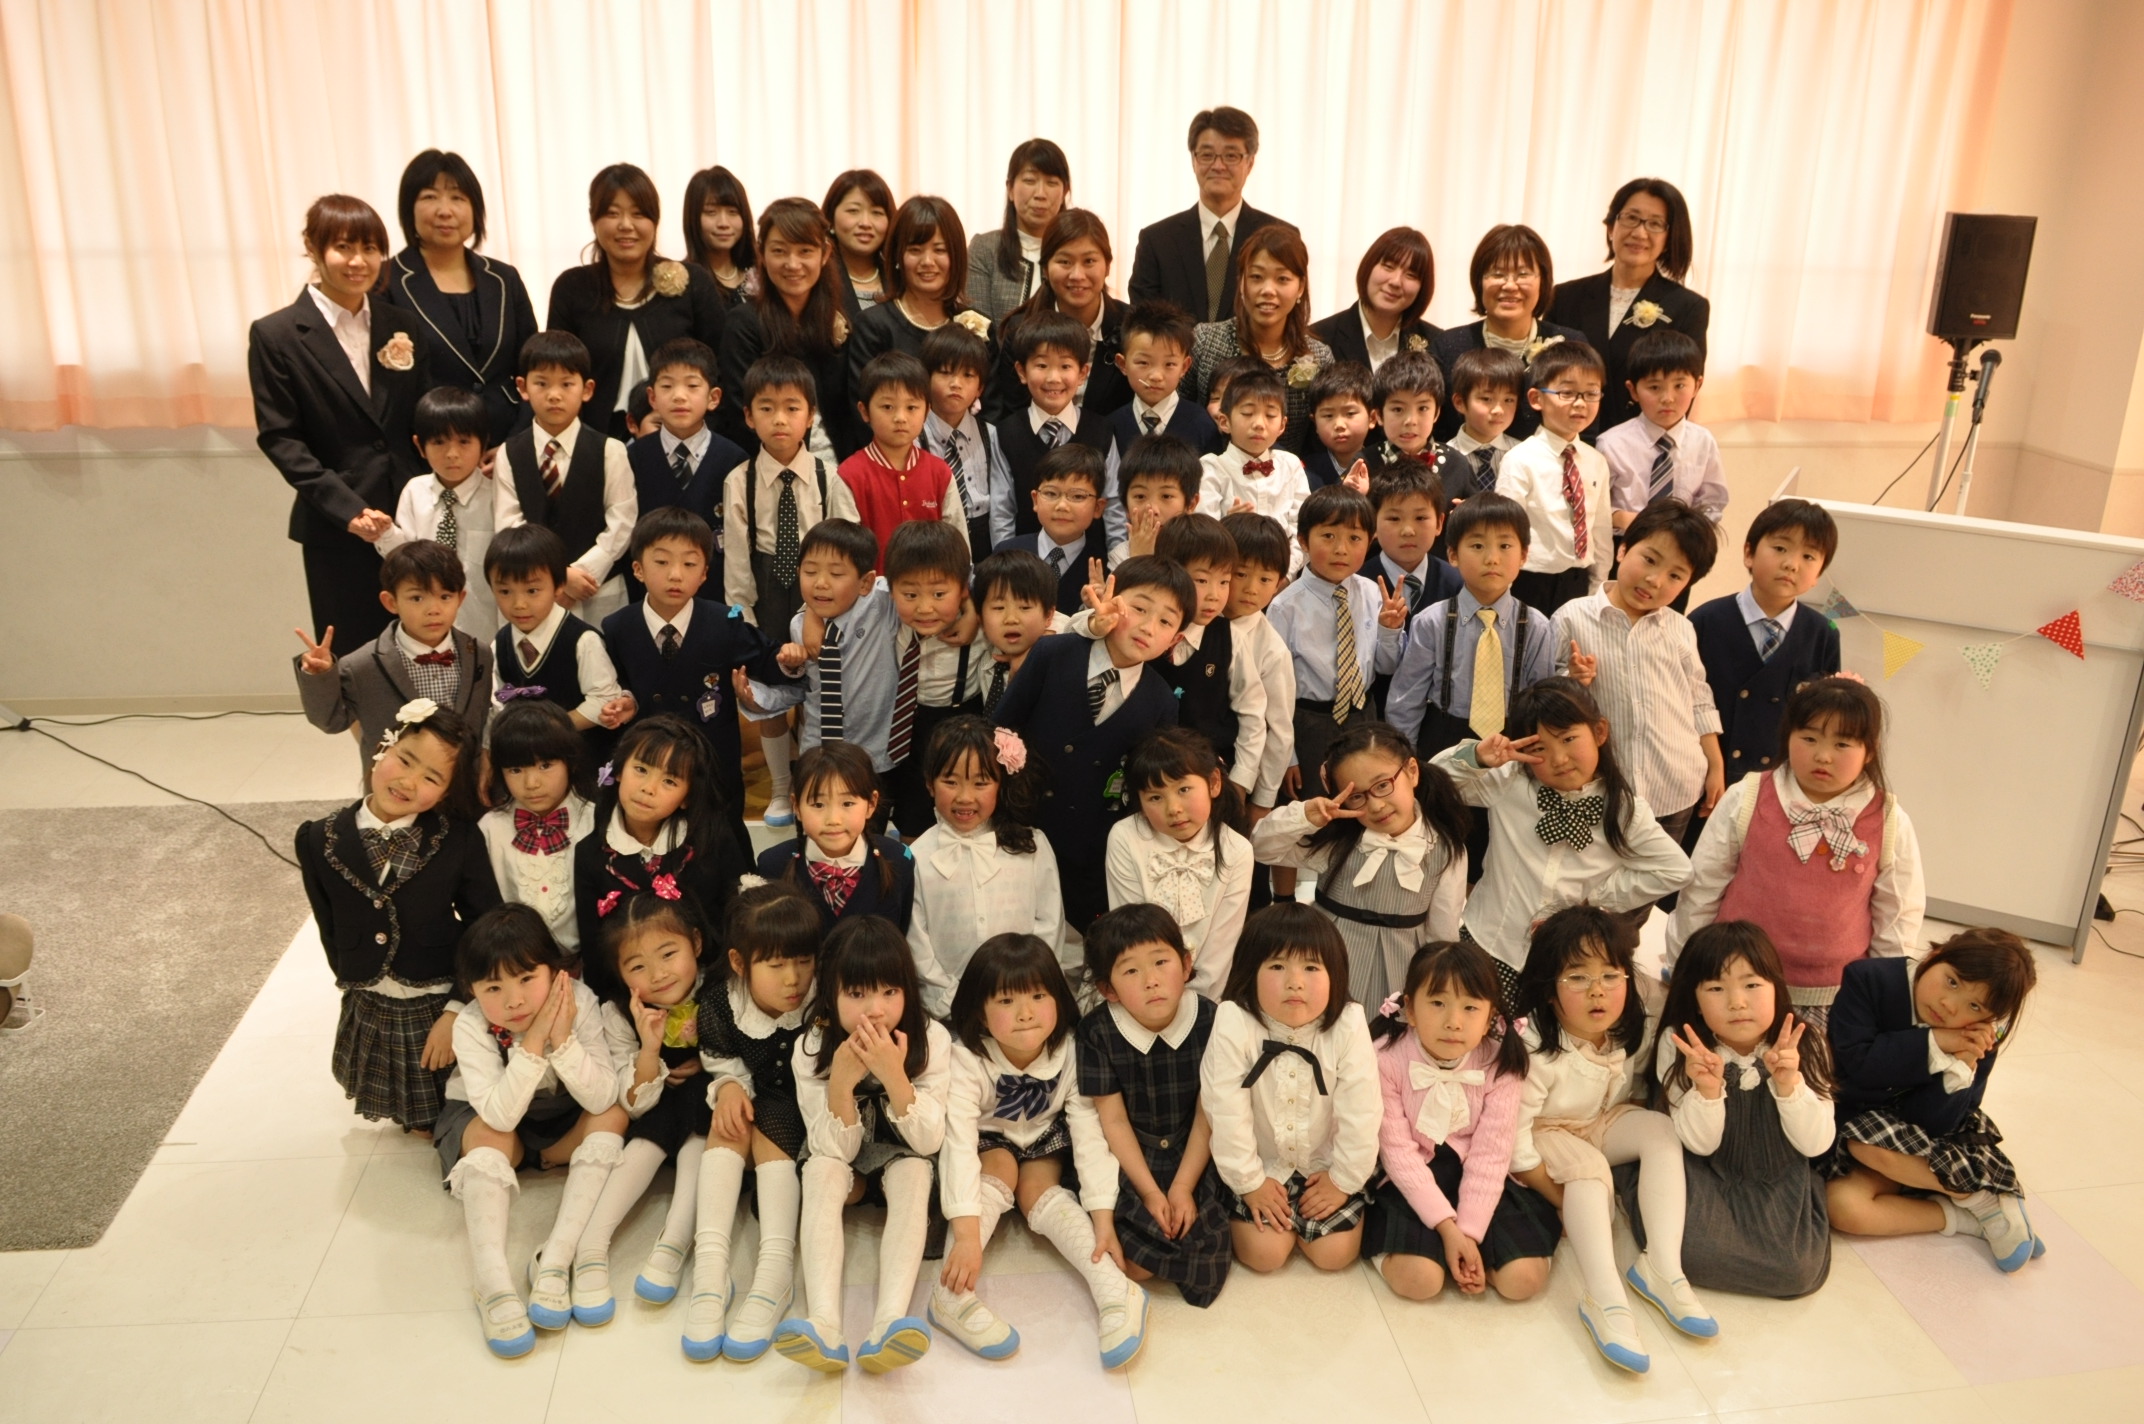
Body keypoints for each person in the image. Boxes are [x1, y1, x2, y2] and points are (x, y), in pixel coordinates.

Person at [1506, 906, 1712, 1374]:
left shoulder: (1626, 1028)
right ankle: (1605, 1298)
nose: (1597, 990)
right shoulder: (1534, 1047)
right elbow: (1514, 1145)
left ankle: (1662, 1267)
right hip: (1544, 1133)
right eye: (1577, 977)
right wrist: (1560, 1199)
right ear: (1549, 989)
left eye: (1610, 975)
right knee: (1590, 1171)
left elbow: (1631, 1091)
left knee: (1659, 1128)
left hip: (1599, 1120)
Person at [935, 935, 1150, 1368]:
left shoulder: (1071, 1050)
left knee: (1037, 1186)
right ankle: (949, 1295)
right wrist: (966, 1238)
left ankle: (1113, 1286)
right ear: (979, 1010)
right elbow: (958, 1143)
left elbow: (1090, 1137)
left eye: (1038, 996)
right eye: (1006, 1000)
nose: (1026, 1013)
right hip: (987, 1141)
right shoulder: (965, 1058)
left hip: (1045, 1138)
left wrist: (1102, 1218)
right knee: (1000, 1166)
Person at [1671, 676, 1925, 1027]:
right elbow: (1701, 889)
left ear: (1869, 750)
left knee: (1814, 1064)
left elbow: (1897, 917)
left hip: (1835, 992)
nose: (1823, 756)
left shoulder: (1888, 819)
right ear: (1787, 735)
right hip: (1736, 985)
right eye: (1809, 738)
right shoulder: (1747, 797)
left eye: (1842, 744)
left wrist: (1882, 992)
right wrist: (1686, 966)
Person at [297, 700, 499, 1138]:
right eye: (405, 760)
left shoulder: (458, 839)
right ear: (382, 748)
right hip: (370, 994)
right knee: (398, 1099)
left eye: (432, 778)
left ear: (446, 793)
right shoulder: (317, 838)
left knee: (447, 1101)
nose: (409, 781)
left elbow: (484, 927)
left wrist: (457, 1009)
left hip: (435, 997)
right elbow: (328, 922)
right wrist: (354, 975)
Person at [437, 904, 623, 1355]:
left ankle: (556, 1256)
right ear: (471, 990)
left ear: (556, 973)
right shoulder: (471, 1024)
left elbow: (601, 1096)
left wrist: (563, 1038)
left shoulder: (580, 1000)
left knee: (613, 1114)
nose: (514, 1000)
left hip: (561, 1116)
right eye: (493, 987)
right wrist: (536, 1038)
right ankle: (492, 1282)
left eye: (526, 978)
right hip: (493, 1120)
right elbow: (499, 1115)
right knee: (492, 1136)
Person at [250, 193, 430, 647]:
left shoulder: (401, 324)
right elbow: (281, 438)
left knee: (424, 644)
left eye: (370, 248)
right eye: (343, 247)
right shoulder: (277, 335)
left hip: (411, 514)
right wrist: (348, 511)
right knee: (354, 652)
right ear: (313, 248)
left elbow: (420, 415)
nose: (358, 261)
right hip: (336, 526)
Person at [1430, 679, 1691, 993]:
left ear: (1600, 732)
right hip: (1490, 942)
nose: (1559, 759)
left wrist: (1595, 897)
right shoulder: (1510, 781)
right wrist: (1477, 757)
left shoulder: (1624, 810)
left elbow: (1675, 869)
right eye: (1539, 748)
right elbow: (1434, 782)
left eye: (1568, 739)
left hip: (1564, 962)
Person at [776, 916, 953, 1374]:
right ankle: (824, 1323)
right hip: (844, 1155)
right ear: (830, 995)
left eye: (890, 992)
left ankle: (889, 1321)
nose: (875, 1010)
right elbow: (831, 1149)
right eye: (856, 994)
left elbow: (929, 1140)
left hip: (904, 1151)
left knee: (915, 1171)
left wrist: (895, 1076)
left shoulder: (931, 1038)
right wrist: (840, 1083)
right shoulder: (812, 1046)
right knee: (821, 1169)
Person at [1823, 929, 2043, 1272]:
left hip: (1920, 1145)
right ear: (1935, 955)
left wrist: (1962, 1066)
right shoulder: (1869, 979)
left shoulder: (1978, 1037)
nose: (1949, 1005)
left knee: (1868, 1145)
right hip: (1856, 1125)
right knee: (1842, 1208)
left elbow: (1938, 1126)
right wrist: (1935, 1043)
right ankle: (1976, 1207)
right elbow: (1855, 1066)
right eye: (1952, 982)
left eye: (1974, 1006)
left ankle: (1981, 1202)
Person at [991, 556, 1191, 930]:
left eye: (1166, 621)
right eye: (1139, 608)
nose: (1148, 627)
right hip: (1023, 822)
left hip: (1093, 849)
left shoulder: (1162, 701)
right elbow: (1001, 729)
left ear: (1175, 640)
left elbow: (1144, 784)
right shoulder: (1052, 653)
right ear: (1110, 601)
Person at [1644, 922, 1835, 1298]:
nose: (1737, 1002)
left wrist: (1789, 1086)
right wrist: (1708, 1091)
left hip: (1778, 1176)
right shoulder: (1681, 1044)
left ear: (1776, 986)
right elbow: (1699, 1145)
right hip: (1706, 1172)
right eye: (1716, 988)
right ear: (1695, 998)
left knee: (1797, 1271)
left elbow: (1816, 1145)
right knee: (1691, 1252)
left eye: (1752, 985)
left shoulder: (1806, 1042)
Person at [1364, 940, 1555, 1303]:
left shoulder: (1502, 1063)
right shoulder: (1384, 1058)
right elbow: (1397, 1153)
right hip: (1411, 1177)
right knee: (1419, 1282)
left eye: (1470, 1007)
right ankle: (1435, 1250)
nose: (1453, 1021)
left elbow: (1490, 1156)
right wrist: (1447, 1230)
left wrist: (1469, 1232)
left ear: (1490, 1018)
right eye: (1438, 1003)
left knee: (1523, 1282)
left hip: (1480, 1178)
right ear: (1410, 1009)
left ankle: (1478, 1256)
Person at [601, 507, 795, 866]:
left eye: (689, 564)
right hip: (650, 771)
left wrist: (790, 659)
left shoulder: (725, 621)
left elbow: (772, 663)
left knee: (725, 858)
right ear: (638, 569)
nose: (675, 574)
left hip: (714, 769)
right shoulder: (617, 627)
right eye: (662, 562)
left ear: (705, 573)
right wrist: (624, 699)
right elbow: (616, 683)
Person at [683, 881, 820, 1361]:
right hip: (754, 1092)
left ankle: (775, 1273)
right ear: (740, 963)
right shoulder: (722, 1002)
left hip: (813, 1105)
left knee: (771, 1122)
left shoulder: (824, 998)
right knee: (729, 1121)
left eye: (804, 961)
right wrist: (729, 1086)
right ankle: (710, 1272)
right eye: (776, 965)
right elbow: (721, 1059)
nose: (794, 979)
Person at [1202, 904, 1380, 1273]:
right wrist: (1250, 1182)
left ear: (1335, 975)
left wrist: (1342, 1180)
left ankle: (1318, 1209)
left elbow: (1362, 1112)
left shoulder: (1348, 1022)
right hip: (1262, 1162)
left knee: (1333, 1255)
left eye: (1311, 968)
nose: (1295, 982)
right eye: (1277, 966)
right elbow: (1224, 1110)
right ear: (1250, 972)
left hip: (1325, 1163)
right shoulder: (1234, 1019)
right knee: (1264, 1255)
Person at [721, 358, 863, 823]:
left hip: (820, 596)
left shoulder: (828, 476)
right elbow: (737, 569)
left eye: (791, 408)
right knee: (768, 698)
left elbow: (850, 547)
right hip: (766, 596)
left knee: (822, 694)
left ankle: (825, 785)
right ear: (748, 416)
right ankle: (781, 789)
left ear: (811, 415)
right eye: (766, 408)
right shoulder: (738, 480)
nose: (779, 419)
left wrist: (822, 614)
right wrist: (746, 629)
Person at [1076, 905, 1235, 1307]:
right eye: (1131, 971)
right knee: (1133, 1263)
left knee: (1204, 1242)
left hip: (1194, 1149)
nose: (1151, 981)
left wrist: (1182, 1187)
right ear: (1108, 989)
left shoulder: (1211, 1019)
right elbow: (1113, 1121)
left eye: (1161, 962)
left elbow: (1208, 1114)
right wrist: (1149, 1192)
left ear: (1186, 965)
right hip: (1132, 1155)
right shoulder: (1097, 1031)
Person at [1252, 722, 1471, 1009]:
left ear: (1412, 771)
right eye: (1357, 797)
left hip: (1400, 974)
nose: (1376, 806)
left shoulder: (1445, 850)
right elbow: (1261, 847)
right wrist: (1304, 816)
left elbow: (1441, 936)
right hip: (1327, 963)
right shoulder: (1337, 840)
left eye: (1383, 785)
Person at [1554, 497, 1726, 854]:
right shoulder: (1571, 617)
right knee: (1591, 881)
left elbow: (1699, 699)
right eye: (1649, 559)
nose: (1655, 580)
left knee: (1650, 885)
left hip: (1674, 787)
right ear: (1623, 549)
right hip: (1600, 789)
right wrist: (1573, 680)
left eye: (1675, 575)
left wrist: (1715, 764)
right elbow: (1547, 696)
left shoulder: (1680, 629)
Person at [578, 891, 717, 1328]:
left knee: (702, 1104)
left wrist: (709, 1062)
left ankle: (674, 1240)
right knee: (650, 1131)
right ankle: (591, 1245)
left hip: (713, 1106)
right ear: (619, 972)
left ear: (696, 942)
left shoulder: (722, 989)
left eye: (668, 954)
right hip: (654, 1108)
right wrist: (650, 1050)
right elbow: (633, 1103)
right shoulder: (619, 1013)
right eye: (637, 966)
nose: (658, 974)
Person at [546, 163, 727, 440]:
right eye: (612, 213)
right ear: (594, 219)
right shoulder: (571, 288)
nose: (626, 225)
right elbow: (556, 373)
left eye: (638, 214)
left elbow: (721, 367)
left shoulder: (693, 282)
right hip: (595, 441)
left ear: (654, 221)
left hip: (686, 437)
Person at [295, 540, 494, 785]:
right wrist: (320, 677)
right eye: (417, 598)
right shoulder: (361, 665)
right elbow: (330, 721)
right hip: (396, 789)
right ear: (391, 602)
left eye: (445, 596)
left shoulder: (479, 654)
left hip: (464, 785)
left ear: (460, 598)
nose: (434, 609)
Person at [571, 715, 751, 985]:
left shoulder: (712, 837)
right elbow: (595, 953)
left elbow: (739, 922)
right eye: (641, 769)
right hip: (632, 995)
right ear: (618, 770)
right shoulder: (590, 855)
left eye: (670, 781)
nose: (648, 789)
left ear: (687, 797)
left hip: (715, 986)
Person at [1384, 492, 1555, 760]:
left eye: (1505, 546)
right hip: (1443, 743)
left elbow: (1542, 704)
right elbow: (1406, 700)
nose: (1492, 558)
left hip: (1512, 746)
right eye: (1477, 546)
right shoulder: (1431, 622)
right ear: (1453, 555)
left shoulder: (1537, 627)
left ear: (1524, 555)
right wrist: (1405, 760)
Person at [907, 717, 1065, 1008]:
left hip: (1023, 1001)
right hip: (947, 1008)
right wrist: (953, 1001)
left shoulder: (1032, 846)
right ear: (930, 784)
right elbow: (918, 943)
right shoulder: (916, 857)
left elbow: (1049, 925)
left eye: (980, 783)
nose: (965, 797)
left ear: (1000, 783)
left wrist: (1024, 990)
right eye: (950, 782)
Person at [385, 150, 539, 446]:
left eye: (458, 197)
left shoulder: (504, 278)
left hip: (508, 443)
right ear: (409, 209)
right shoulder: (387, 281)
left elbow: (533, 367)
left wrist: (515, 442)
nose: (445, 210)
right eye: (430, 197)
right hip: (433, 448)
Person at [1266, 487, 1407, 798]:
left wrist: (1389, 630)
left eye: (1354, 538)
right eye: (1328, 536)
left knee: (1364, 799)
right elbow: (1273, 689)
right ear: (1304, 541)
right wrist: (1287, 755)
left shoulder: (1372, 593)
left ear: (1370, 541)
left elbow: (1386, 667)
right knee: (1316, 804)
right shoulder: (1284, 607)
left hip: (1364, 714)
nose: (1341, 549)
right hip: (1309, 723)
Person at [1689, 498, 1842, 785]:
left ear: (1818, 575)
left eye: (1809, 556)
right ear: (1749, 553)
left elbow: (1823, 722)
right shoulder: (1705, 621)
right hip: (1706, 779)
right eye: (1780, 548)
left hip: (1780, 785)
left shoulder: (1822, 633)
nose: (1791, 564)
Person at [493, 330, 639, 626]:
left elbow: (622, 520)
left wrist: (583, 573)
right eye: (542, 383)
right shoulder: (509, 452)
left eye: (567, 384)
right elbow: (509, 524)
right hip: (532, 589)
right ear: (522, 387)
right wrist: (557, 577)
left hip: (596, 588)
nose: (554, 395)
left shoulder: (611, 450)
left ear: (587, 389)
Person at [1549, 177, 1713, 433]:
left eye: (1655, 224)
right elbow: (1547, 376)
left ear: (1669, 238)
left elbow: (1681, 394)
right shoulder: (1565, 296)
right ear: (1611, 227)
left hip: (1640, 446)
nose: (1639, 233)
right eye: (1631, 218)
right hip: (1571, 440)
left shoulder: (1688, 307)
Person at [1107, 728, 1254, 998]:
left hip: (1207, 997)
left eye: (1184, 789)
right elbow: (1129, 933)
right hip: (1139, 990)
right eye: (1155, 797)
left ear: (1214, 783)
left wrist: (1193, 1007)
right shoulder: (1125, 837)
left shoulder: (1237, 851)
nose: (1173, 808)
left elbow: (1221, 950)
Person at [716, 198, 864, 461]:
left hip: (843, 467)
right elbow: (741, 415)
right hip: (771, 467)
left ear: (825, 254)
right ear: (762, 253)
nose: (793, 264)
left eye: (805, 251)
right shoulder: (743, 324)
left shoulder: (840, 319)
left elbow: (852, 408)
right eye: (779, 251)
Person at [1430, 225, 1587, 444]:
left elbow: (1585, 426)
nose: (1510, 285)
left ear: (1543, 281)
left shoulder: (1570, 345)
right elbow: (1433, 430)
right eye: (1498, 274)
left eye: (1523, 274)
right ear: (1479, 281)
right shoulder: (1448, 346)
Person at [1129, 106, 1287, 322]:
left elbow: (1289, 319)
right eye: (1207, 155)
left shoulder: (1281, 236)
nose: (1218, 165)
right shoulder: (1157, 241)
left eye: (1231, 156)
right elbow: (1142, 324)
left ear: (1250, 163)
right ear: (1193, 161)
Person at [1187, 223, 1334, 453]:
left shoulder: (1318, 357)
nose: (1268, 290)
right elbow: (1180, 416)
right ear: (1242, 282)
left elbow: (1320, 441)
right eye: (1256, 277)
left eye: (1282, 279)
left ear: (1300, 287)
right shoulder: (1206, 341)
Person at [758, 742, 921, 945]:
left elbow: (902, 937)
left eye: (847, 803)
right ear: (796, 806)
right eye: (818, 804)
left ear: (871, 803)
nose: (833, 819)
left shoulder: (898, 859)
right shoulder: (772, 865)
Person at [484, 524, 636, 739]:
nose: (519, 604)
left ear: (558, 586)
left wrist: (548, 728)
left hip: (575, 751)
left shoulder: (582, 640)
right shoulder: (500, 642)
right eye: (505, 591)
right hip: (521, 752)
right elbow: (496, 703)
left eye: (532, 591)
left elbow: (604, 700)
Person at [1496, 341, 1614, 614]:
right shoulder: (1520, 459)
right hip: (1529, 581)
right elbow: (1506, 530)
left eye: (1591, 393)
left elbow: (1601, 529)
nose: (1580, 403)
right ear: (1536, 398)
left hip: (1579, 582)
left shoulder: (1596, 461)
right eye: (1567, 393)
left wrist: (1598, 587)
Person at [623, 337, 746, 598]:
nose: (679, 396)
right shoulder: (631, 458)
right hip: (646, 597)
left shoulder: (734, 460)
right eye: (667, 386)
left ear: (713, 397)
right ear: (652, 397)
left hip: (716, 597)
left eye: (692, 386)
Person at [478, 698, 597, 959]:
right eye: (515, 770)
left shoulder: (595, 821)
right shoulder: (489, 829)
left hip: (588, 965)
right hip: (515, 965)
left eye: (545, 766)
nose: (531, 783)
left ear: (571, 762)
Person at [987, 208, 1132, 422]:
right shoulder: (1020, 331)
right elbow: (1014, 416)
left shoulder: (1131, 327)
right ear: (1045, 269)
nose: (1077, 275)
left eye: (1089, 261)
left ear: (1108, 266)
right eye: (1064, 262)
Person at [378, 385, 499, 639]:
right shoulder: (414, 491)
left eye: (464, 442)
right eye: (439, 442)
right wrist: (384, 533)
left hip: (486, 627)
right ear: (420, 446)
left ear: (483, 443)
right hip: (427, 627)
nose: (452, 454)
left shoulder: (497, 496)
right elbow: (405, 561)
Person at [1597, 330, 1726, 559]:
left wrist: (1691, 529)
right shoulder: (1611, 444)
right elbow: (1594, 505)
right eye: (1655, 387)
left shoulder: (1703, 441)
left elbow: (1712, 501)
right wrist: (1621, 517)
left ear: (1697, 385)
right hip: (1624, 547)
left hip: (1682, 549)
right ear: (1633, 390)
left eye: (1679, 386)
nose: (1667, 398)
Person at [992, 310, 1113, 543]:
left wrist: (1116, 559)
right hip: (1025, 559)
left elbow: (1113, 506)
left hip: (1090, 559)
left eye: (1065, 366)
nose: (1053, 378)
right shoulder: (1006, 433)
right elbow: (1002, 511)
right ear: (1021, 371)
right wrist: (1006, 558)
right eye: (1042, 365)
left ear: (1082, 373)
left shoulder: (1102, 431)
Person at [846, 196, 988, 394]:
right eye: (915, 250)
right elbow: (862, 402)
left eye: (940, 250)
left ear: (956, 256)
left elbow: (991, 405)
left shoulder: (978, 326)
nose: (927, 261)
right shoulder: (873, 327)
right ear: (897, 256)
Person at [840, 351, 965, 561]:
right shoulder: (849, 476)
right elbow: (844, 554)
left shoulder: (940, 473)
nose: (900, 417)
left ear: (926, 411)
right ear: (864, 411)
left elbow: (958, 546)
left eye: (911, 407)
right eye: (887, 407)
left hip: (933, 581)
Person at [1221, 512, 1297, 826]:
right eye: (1241, 574)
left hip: (1238, 775)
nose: (1251, 588)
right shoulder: (1194, 620)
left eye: (1265, 579)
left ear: (1279, 584)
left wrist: (1263, 800)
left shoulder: (1272, 649)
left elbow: (1279, 730)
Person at [1104, 300, 1220, 505]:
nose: (1156, 376)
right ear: (1122, 364)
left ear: (1185, 367)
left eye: (1169, 364)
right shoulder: (1110, 427)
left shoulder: (1202, 425)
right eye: (1143, 363)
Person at [919, 323, 1009, 556]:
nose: (956, 384)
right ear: (926, 378)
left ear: (980, 388)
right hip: (934, 541)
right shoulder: (914, 438)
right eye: (945, 372)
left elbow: (1002, 503)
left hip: (985, 540)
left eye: (968, 375)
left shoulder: (991, 434)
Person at [1198, 366, 1311, 549]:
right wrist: (1227, 527)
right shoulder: (1211, 468)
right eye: (1247, 413)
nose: (1259, 424)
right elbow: (1201, 534)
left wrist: (1287, 566)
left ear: (1282, 425)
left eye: (1270, 415)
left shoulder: (1290, 466)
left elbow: (1302, 528)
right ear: (1224, 421)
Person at [966, 138, 1073, 323]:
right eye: (1030, 181)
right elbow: (976, 328)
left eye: (1051, 182)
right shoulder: (985, 249)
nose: (1040, 194)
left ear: (1064, 192)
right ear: (1010, 189)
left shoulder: (1076, 250)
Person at [1311, 226, 1441, 374]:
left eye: (1411, 275)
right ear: (1368, 266)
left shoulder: (1436, 343)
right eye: (1388, 267)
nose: (1396, 282)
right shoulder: (1319, 338)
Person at [998, 444, 1107, 615]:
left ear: (1098, 507)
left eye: (1077, 496)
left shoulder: (1106, 567)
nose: (1062, 505)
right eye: (1051, 494)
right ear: (1035, 500)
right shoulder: (1006, 554)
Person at [967, 551, 1069, 708]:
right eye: (999, 607)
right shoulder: (987, 660)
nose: (1011, 619)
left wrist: (1039, 653)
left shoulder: (1064, 655)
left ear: (1049, 615)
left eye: (1025, 607)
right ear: (980, 617)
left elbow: (1074, 627)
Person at [1444, 348, 1527, 500]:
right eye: (1486, 399)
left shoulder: (1524, 454)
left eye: (1508, 400)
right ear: (1460, 402)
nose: (1498, 410)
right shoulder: (1444, 459)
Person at [822, 169, 896, 322]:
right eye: (853, 211)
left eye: (876, 213)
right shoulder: (818, 277)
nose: (865, 223)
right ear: (830, 219)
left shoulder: (899, 277)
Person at [681, 164, 759, 309]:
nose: (724, 223)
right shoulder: (683, 281)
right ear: (693, 218)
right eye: (711, 212)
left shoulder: (761, 274)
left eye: (733, 212)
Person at [1304, 360, 1377, 490]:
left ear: (1372, 418)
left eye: (1350, 413)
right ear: (1315, 422)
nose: (1339, 425)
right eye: (1328, 416)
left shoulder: (1382, 463)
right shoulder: (1305, 470)